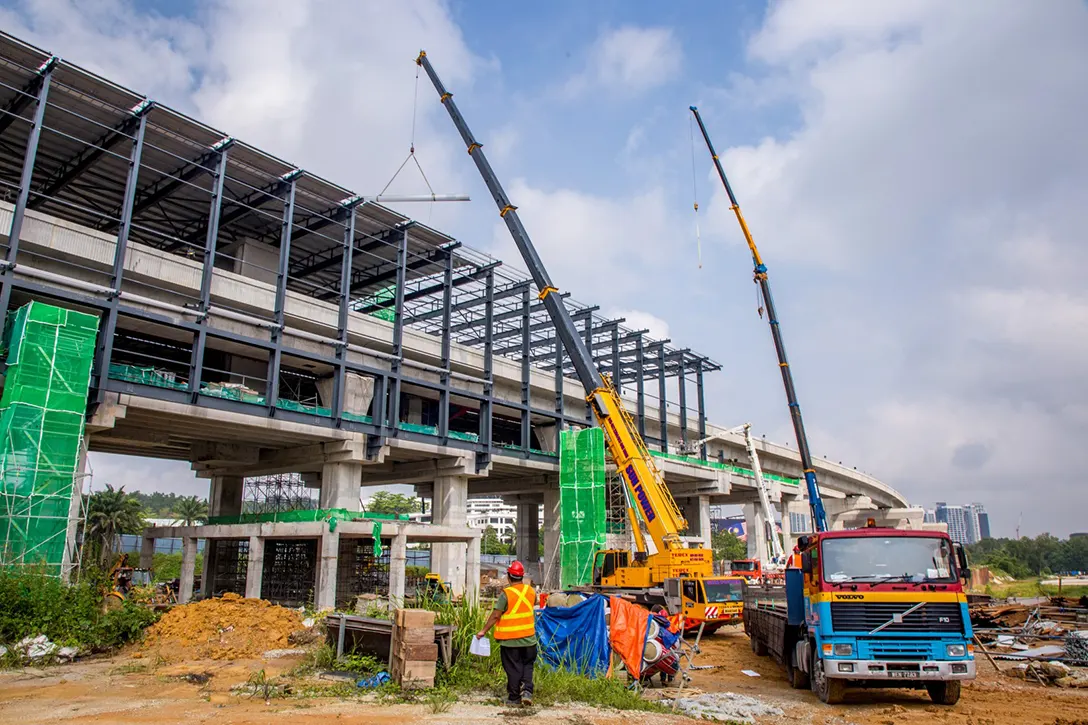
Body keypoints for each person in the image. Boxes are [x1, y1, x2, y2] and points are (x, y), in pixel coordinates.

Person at [475, 560, 537, 707]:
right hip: (530, 639)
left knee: (513, 668)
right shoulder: (531, 591)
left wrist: (483, 631)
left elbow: (496, 615)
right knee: (527, 665)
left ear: (509, 576)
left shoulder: (506, 594)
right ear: (522, 577)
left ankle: (514, 697)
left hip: (511, 641)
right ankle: (527, 691)